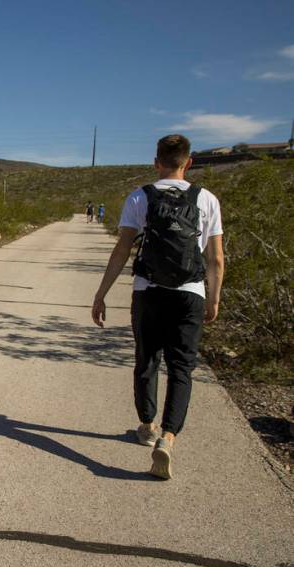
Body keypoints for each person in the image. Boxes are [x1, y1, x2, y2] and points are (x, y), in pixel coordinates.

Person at [91, 134, 224, 480]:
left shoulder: (140, 196)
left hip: (148, 290)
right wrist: (213, 298)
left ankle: (147, 425)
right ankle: (168, 437)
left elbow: (122, 249)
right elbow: (216, 258)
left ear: (156, 162)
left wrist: (101, 293)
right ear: (188, 162)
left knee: (147, 358)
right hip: (190, 292)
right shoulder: (207, 199)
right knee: (181, 367)